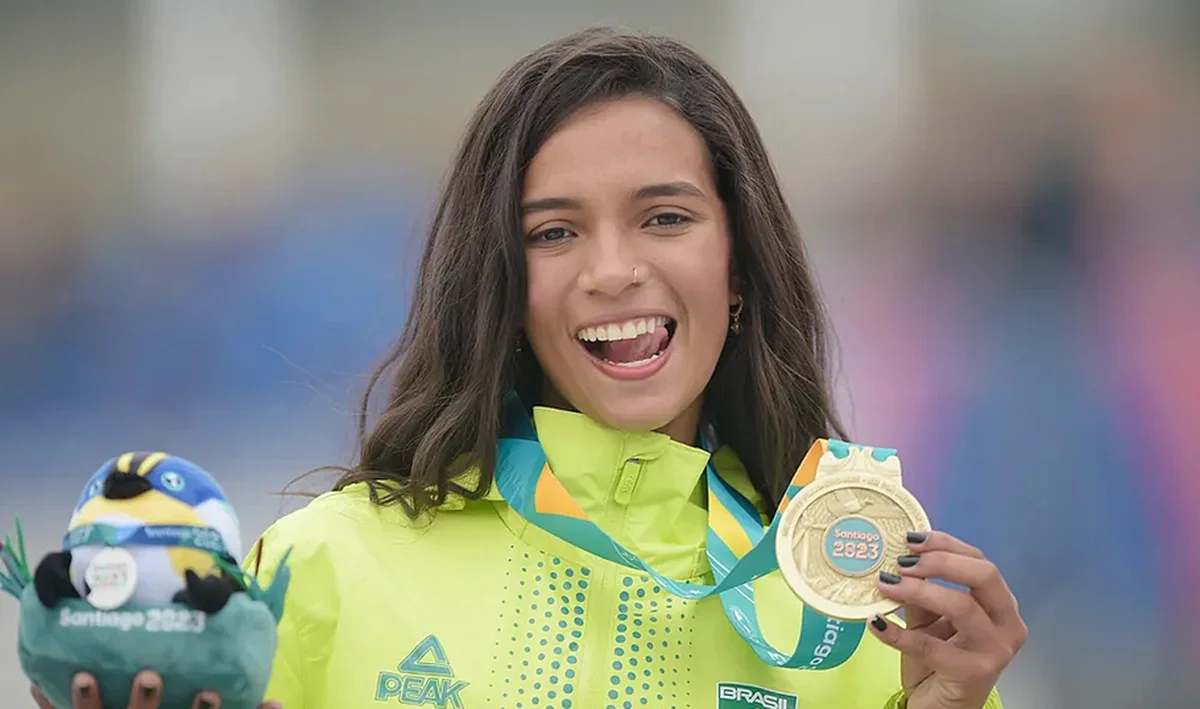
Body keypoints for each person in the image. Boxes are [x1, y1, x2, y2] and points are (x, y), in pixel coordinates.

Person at [35, 27, 1025, 709]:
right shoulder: (322, 567)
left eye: (665, 217)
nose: (613, 271)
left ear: (739, 267)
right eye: (554, 233)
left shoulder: (850, 613)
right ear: (503, 287)